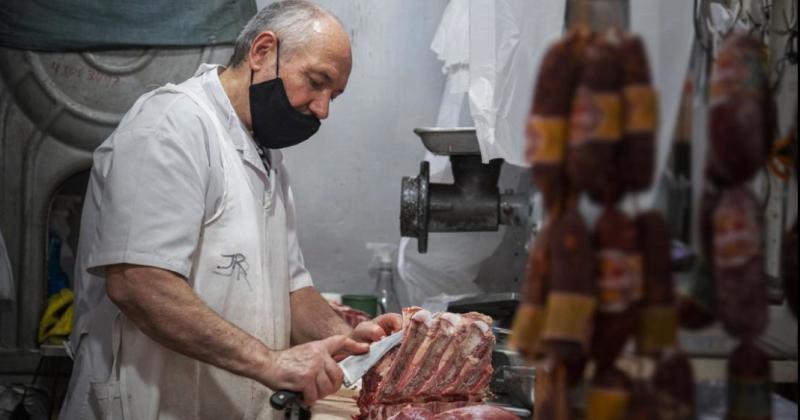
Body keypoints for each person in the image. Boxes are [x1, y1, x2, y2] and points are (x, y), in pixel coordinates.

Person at [58, 2, 402, 419]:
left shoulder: (266, 156)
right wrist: (270, 363)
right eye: (316, 82)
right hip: (147, 405)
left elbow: (291, 287)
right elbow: (139, 282)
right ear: (261, 52)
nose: (323, 108)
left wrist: (349, 339)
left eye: (334, 95)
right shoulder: (170, 126)